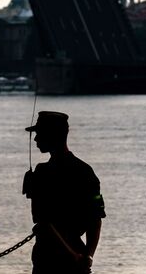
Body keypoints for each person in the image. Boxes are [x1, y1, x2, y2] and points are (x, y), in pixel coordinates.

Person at [22, 111, 105, 274]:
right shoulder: (85, 171)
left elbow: (42, 220)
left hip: (50, 256)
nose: (36, 139)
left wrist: (79, 256)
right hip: (75, 252)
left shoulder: (43, 173)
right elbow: (95, 218)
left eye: (39, 133)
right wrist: (88, 256)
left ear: (52, 135)